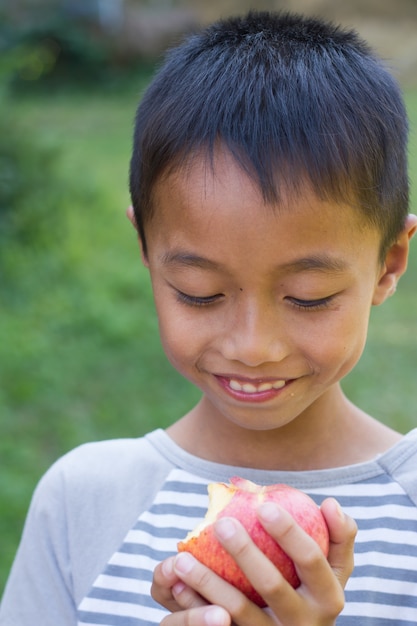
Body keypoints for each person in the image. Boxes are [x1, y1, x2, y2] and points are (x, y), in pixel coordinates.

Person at [1, 9, 417, 626]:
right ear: (146, 251)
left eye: (307, 297)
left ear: (388, 265)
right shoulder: (83, 502)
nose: (253, 346)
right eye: (198, 292)